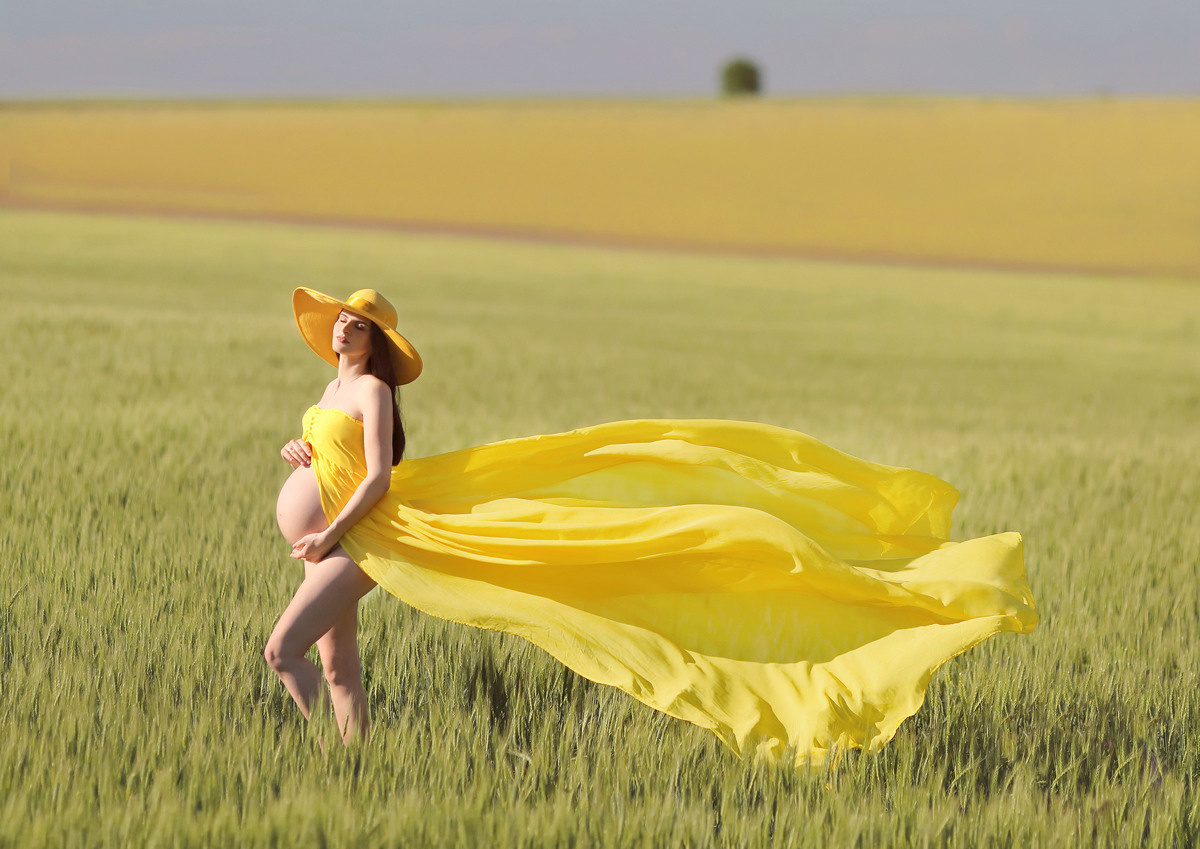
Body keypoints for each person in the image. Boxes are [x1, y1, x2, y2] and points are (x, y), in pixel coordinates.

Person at [266, 287, 1038, 764]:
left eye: (359, 325)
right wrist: (299, 450)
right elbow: (329, 460)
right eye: (341, 319)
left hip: (358, 541)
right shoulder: (332, 389)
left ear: (377, 345)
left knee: (282, 649)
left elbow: (375, 477)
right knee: (339, 668)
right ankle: (353, 763)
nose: (344, 328)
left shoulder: (371, 394)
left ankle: (322, 765)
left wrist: (330, 535)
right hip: (328, 537)